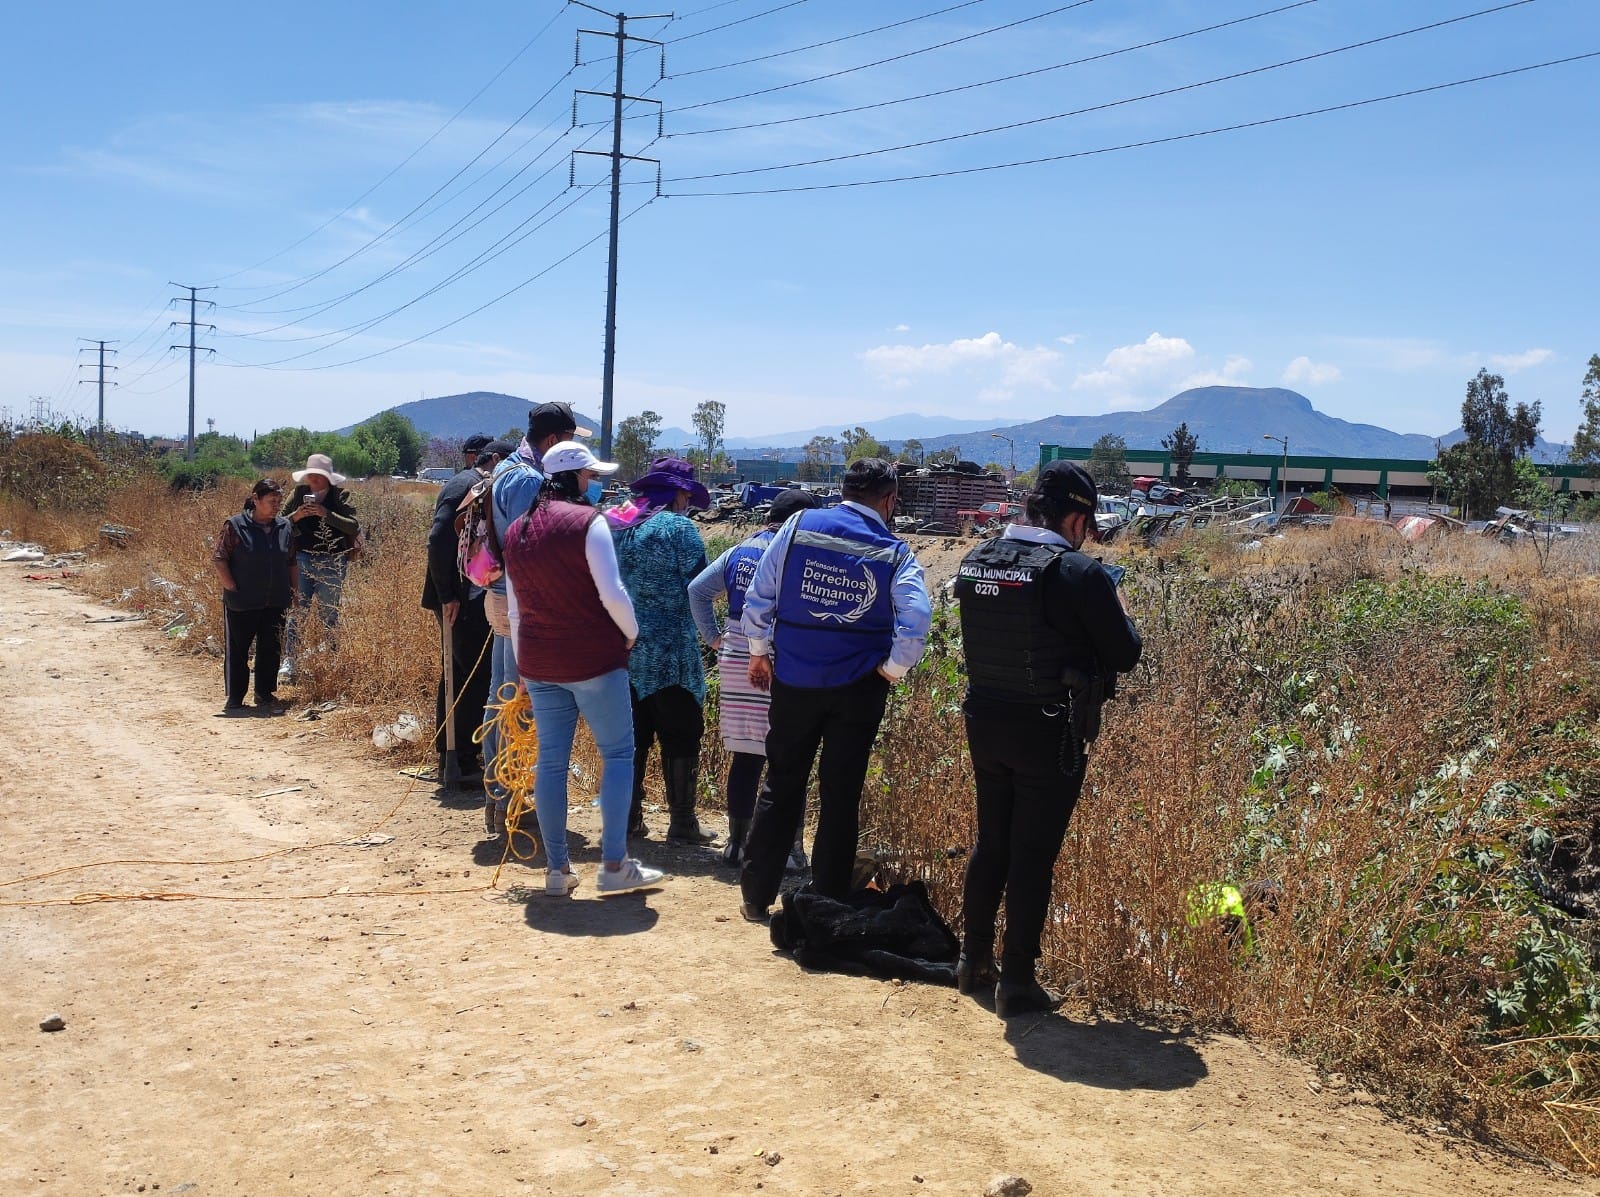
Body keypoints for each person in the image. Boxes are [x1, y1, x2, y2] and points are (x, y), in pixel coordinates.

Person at [951, 460, 1143, 1017]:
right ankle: (1017, 982)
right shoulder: (1080, 574)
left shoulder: (976, 560)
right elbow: (1126, 654)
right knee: (1033, 855)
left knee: (992, 843)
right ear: (1076, 516)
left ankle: (973, 963)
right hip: (1048, 731)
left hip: (984, 721)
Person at [738, 458, 931, 920]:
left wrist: (759, 650)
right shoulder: (894, 550)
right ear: (888, 500)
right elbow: (917, 617)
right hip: (860, 687)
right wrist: (893, 669)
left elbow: (761, 591)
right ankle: (826, 899)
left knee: (781, 782)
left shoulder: (798, 525)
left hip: (794, 679)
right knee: (841, 792)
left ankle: (755, 895)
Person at [503, 439, 665, 897]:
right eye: (592, 477)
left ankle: (558, 870)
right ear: (576, 477)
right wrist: (630, 633)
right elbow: (612, 592)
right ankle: (614, 864)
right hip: (592, 659)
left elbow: (516, 607)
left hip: (538, 659)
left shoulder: (518, 530)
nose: (595, 485)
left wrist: (523, 658)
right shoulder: (589, 523)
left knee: (551, 762)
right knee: (616, 754)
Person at [687, 488, 818, 866]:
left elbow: (697, 590)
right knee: (791, 757)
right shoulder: (797, 553)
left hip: (735, 659)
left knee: (745, 756)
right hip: (782, 662)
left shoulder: (738, 552)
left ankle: (737, 844)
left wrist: (713, 637)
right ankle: (790, 850)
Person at [479, 402, 592, 836]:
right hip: (521, 603)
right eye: (568, 441)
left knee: (503, 697)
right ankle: (512, 805)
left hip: (501, 595)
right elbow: (537, 548)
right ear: (551, 441)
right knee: (520, 706)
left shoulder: (506, 468)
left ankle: (499, 800)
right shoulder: (528, 481)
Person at [609, 456, 714, 845]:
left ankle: (627, 819)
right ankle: (682, 823)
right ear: (680, 494)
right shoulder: (679, 528)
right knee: (681, 733)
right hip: (671, 652)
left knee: (630, 738)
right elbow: (701, 584)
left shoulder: (616, 519)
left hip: (621, 649)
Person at [420, 435, 506, 787]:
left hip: (464, 598)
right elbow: (439, 538)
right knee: (473, 677)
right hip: (461, 601)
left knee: (460, 676)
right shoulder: (467, 485)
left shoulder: (473, 483)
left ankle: (452, 758)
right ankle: (460, 761)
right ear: (496, 459)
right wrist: (448, 596)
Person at [211, 478, 299, 717]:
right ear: (255, 500)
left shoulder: (284, 527)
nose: (276, 506)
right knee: (239, 650)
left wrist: (294, 590)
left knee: (271, 647)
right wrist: (231, 586)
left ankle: (264, 693)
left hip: (275, 599)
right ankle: (235, 698)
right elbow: (219, 558)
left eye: (279, 501)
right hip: (243, 601)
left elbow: (291, 561)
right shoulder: (235, 526)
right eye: (271, 501)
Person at [279, 452, 360, 683]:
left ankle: (331, 661)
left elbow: (353, 526)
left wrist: (326, 514)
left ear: (327, 478)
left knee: (329, 613)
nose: (312, 480)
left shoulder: (340, 496)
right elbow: (280, 523)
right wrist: (297, 515)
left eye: (317, 476)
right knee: (298, 611)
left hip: (333, 561)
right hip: (302, 559)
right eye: (310, 476)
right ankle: (290, 660)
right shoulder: (298, 495)